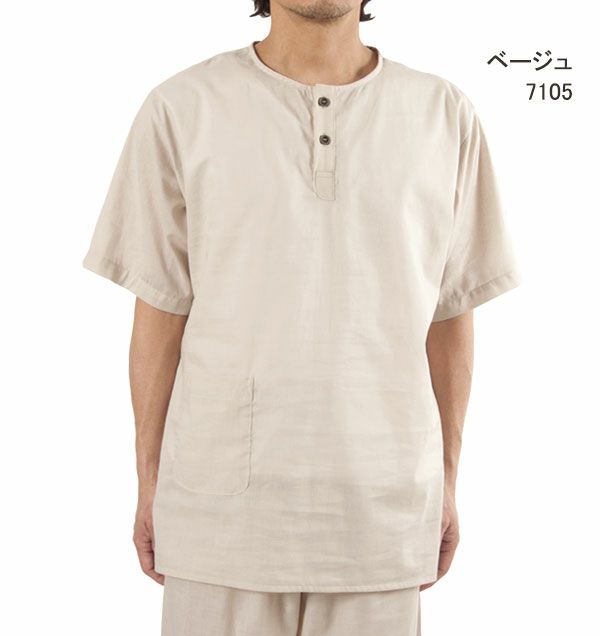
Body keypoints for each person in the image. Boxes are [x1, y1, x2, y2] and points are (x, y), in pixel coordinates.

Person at [82, 1, 521, 634]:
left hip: (384, 512)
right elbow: (160, 308)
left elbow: (451, 314)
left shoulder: (443, 114)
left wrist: (447, 482)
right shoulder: (182, 107)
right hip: (218, 517)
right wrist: (148, 481)